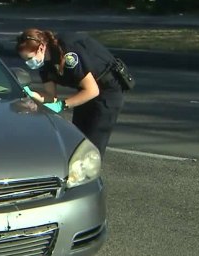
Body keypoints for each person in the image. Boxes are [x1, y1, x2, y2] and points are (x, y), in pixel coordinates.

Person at [16, 28, 125, 158]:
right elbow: (50, 96)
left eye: (29, 58)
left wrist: (62, 105)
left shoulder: (68, 53)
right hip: (85, 92)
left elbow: (92, 90)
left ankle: (90, 177)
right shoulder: (45, 65)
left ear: (41, 48)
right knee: (76, 141)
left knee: (90, 149)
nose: (28, 63)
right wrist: (31, 94)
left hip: (108, 91)